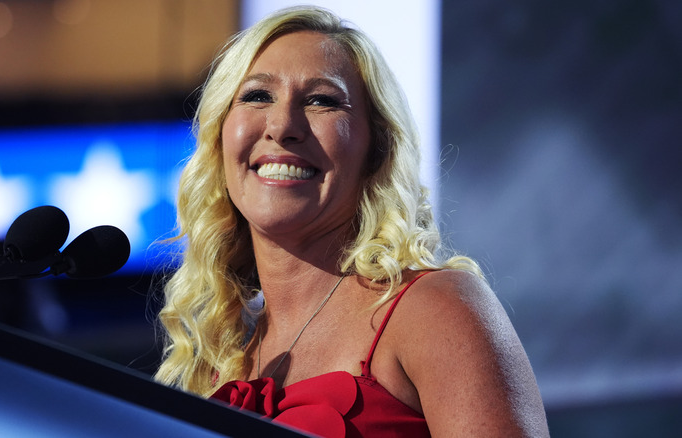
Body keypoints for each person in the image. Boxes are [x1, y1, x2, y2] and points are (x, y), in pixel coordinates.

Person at [154, 6, 549, 437]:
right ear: (219, 136)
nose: (283, 125)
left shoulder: (434, 310)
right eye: (256, 96)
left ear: (375, 150)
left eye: (321, 100)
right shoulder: (222, 361)